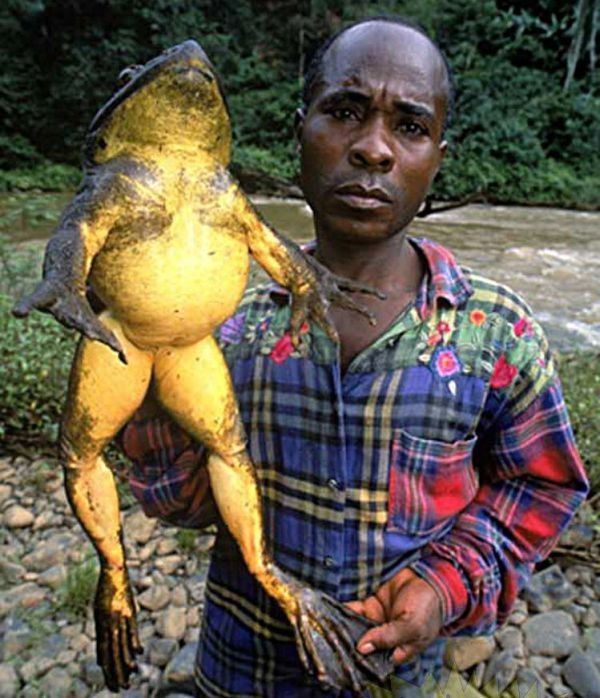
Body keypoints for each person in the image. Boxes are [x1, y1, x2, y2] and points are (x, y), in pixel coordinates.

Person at [120, 16, 589, 697]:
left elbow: (542, 485)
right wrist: (144, 361)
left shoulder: (497, 335)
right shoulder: (227, 334)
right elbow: (181, 502)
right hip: (245, 670)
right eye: (344, 112)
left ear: (437, 157)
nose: (373, 148)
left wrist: (444, 582)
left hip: (400, 677)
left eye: (409, 126)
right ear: (301, 132)